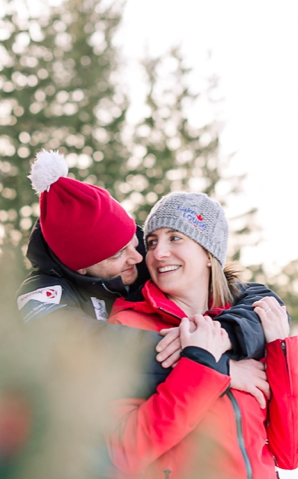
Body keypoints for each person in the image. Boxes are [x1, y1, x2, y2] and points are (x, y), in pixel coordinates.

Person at [107, 192, 298, 479]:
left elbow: (290, 453)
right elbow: (124, 449)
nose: (158, 253)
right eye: (152, 241)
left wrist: (280, 349)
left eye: (176, 238)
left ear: (208, 253)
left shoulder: (249, 331)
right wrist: (204, 367)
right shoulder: (129, 328)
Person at [16, 150, 278, 397]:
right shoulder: (42, 293)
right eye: (117, 254)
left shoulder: (150, 253)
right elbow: (84, 348)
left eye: (134, 239)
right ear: (81, 268)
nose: (140, 257)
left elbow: (258, 299)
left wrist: (222, 334)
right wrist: (212, 364)